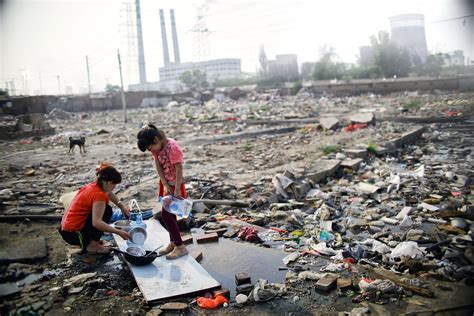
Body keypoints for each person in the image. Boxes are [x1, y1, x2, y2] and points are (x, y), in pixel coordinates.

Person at [137, 124, 189, 260]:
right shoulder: (156, 149)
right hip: (166, 185)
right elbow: (158, 166)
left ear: (156, 139)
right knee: (170, 215)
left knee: (167, 215)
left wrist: (177, 188)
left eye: (150, 147)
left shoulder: (172, 148)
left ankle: (180, 246)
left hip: (176, 184)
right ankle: (173, 242)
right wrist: (165, 184)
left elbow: (179, 169)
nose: (150, 151)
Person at [59, 163, 130, 254]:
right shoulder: (98, 195)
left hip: (65, 230)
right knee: (107, 211)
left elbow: (110, 194)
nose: (114, 187)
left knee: (103, 209)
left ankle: (91, 241)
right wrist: (118, 232)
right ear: (108, 182)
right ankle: (93, 246)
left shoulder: (95, 185)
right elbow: (97, 223)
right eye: (114, 184)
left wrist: (122, 207)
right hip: (73, 235)